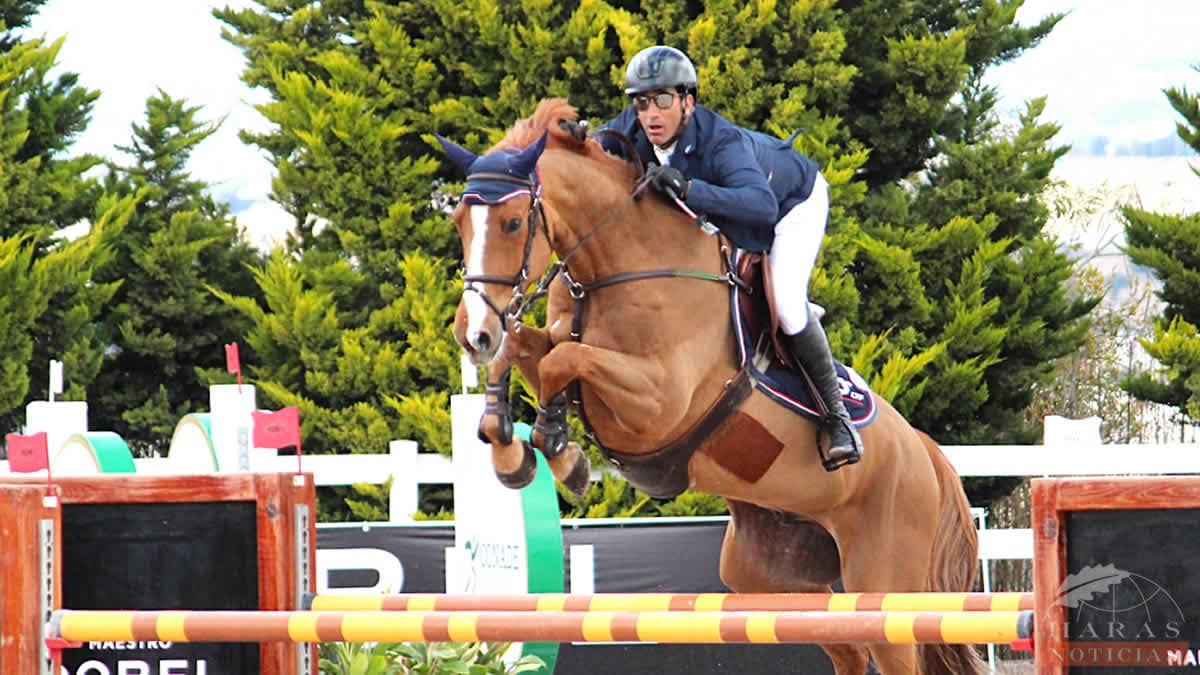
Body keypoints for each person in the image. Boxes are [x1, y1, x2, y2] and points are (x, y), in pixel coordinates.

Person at [598, 45, 861, 470]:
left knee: (789, 306)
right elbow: (590, 151)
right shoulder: (633, 126)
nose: (650, 114)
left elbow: (761, 207)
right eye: (641, 102)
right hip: (733, 216)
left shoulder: (722, 142)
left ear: (688, 100)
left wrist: (687, 189)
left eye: (662, 100)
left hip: (792, 204)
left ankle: (837, 418)